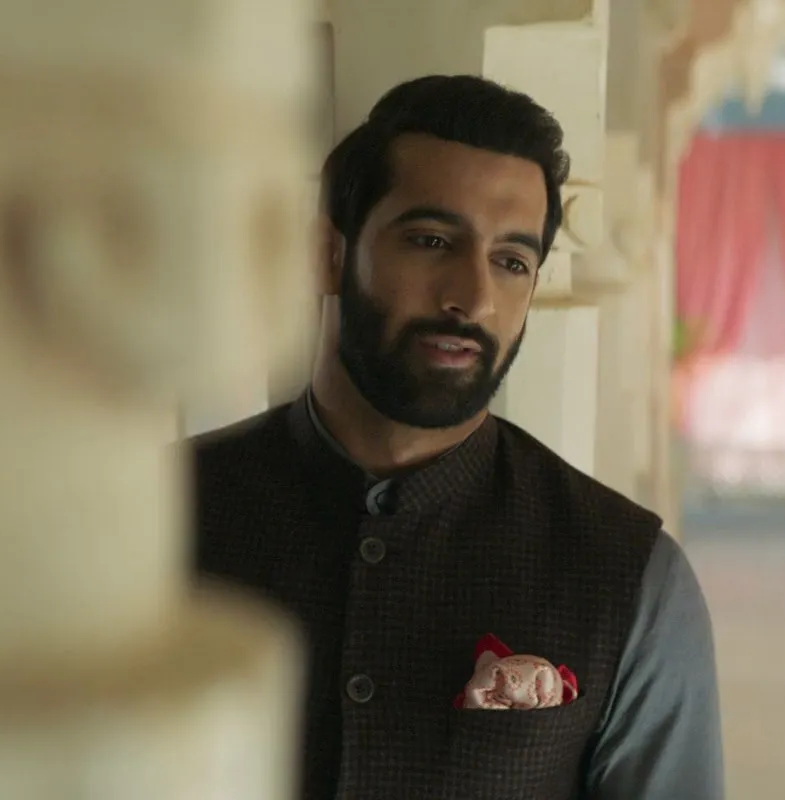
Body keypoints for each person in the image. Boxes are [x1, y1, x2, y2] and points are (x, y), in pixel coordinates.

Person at [192, 74, 723, 800]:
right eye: (432, 241)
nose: (471, 297)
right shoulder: (159, 514)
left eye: (511, 261)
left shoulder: (629, 578)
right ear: (326, 254)